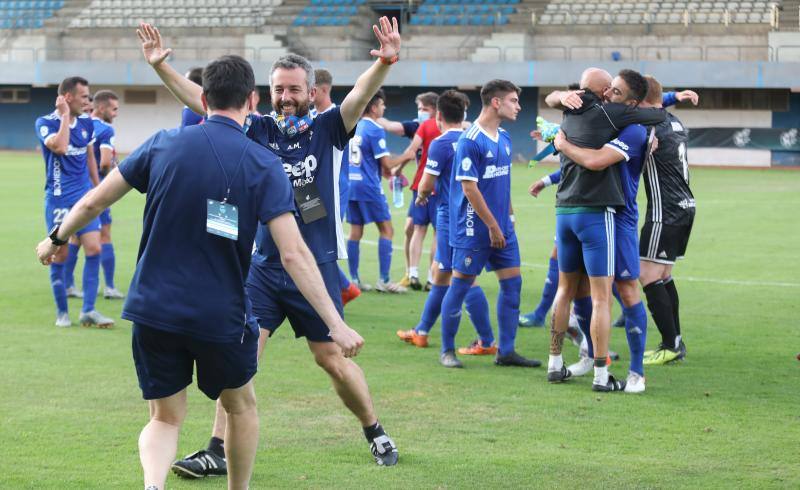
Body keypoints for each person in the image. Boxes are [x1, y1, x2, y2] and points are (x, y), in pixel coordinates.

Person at [36, 54, 364, 490]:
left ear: (203, 99)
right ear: (252, 98)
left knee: (165, 418)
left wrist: (56, 237)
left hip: (153, 309)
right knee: (240, 406)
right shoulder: (263, 163)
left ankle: (153, 485)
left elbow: (95, 201)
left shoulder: (161, 144)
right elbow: (295, 255)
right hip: (221, 315)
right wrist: (334, 323)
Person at [137, 18, 402, 474]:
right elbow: (201, 101)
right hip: (260, 267)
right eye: (278, 89)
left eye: (294, 89)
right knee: (239, 363)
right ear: (267, 91)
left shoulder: (328, 128)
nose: (285, 97)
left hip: (313, 269)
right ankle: (217, 450)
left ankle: (374, 428)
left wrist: (383, 62)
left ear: (312, 91)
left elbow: (359, 94)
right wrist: (162, 66)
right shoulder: (256, 129)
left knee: (332, 361)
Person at [543, 67, 665, 391]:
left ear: (632, 103)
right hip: (592, 213)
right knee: (581, 291)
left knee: (623, 290)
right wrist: (559, 96)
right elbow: (556, 98)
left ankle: (637, 373)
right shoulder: (603, 114)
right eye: (609, 89)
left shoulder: (633, 130)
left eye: (617, 92)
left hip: (618, 217)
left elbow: (595, 160)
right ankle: (591, 354)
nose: (609, 94)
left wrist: (561, 144)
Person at [437, 79, 540, 369]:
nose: (518, 106)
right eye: (513, 101)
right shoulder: (470, 140)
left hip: (501, 228)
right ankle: (447, 351)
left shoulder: (505, 138)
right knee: (459, 287)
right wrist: (493, 226)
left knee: (512, 284)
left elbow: (502, 184)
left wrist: (509, 218)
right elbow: (470, 189)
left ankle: (505, 351)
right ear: (496, 103)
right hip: (474, 229)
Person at [396, 90, 496, 354]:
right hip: (471, 215)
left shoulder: (440, 144)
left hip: (451, 218)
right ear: (464, 114)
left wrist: (421, 196)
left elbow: (427, 184)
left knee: (463, 278)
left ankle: (486, 340)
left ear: (438, 115)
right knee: (441, 275)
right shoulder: (474, 139)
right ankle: (421, 331)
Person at [35, 76, 113, 328]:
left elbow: (90, 157)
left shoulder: (88, 125)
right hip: (58, 201)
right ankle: (62, 313)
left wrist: (97, 189)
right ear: (67, 97)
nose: (88, 101)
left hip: (84, 199)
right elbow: (59, 146)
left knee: (95, 249)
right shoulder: (45, 123)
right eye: (83, 96)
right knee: (60, 255)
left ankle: (88, 310)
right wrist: (65, 117)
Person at [638, 76, 697, 366]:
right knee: (662, 276)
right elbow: (655, 100)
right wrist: (673, 96)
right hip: (685, 206)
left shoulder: (648, 126)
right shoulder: (672, 119)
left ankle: (670, 345)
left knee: (647, 276)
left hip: (666, 211)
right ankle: (674, 342)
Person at [346, 89, 407, 293]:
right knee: (387, 230)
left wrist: (389, 174)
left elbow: (371, 163)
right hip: (369, 188)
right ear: (373, 108)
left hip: (351, 185)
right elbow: (387, 163)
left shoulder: (354, 126)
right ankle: (384, 280)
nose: (384, 108)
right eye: (382, 105)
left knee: (355, 232)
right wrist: (407, 156)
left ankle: (353, 279)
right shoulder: (374, 129)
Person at [378, 92, 438, 289]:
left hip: (428, 185)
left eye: (424, 109)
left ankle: (431, 276)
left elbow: (410, 151)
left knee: (425, 230)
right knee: (410, 228)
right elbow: (393, 128)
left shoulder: (436, 126)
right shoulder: (416, 126)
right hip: (423, 185)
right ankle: (411, 273)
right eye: (419, 109)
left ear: (436, 110)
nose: (420, 113)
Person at [312, 67, 362, 306]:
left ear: (323, 89)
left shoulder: (339, 116)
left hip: (333, 190)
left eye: (312, 89)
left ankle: (342, 289)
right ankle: (340, 288)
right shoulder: (310, 116)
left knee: (321, 242)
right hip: (308, 190)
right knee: (309, 239)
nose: (308, 94)